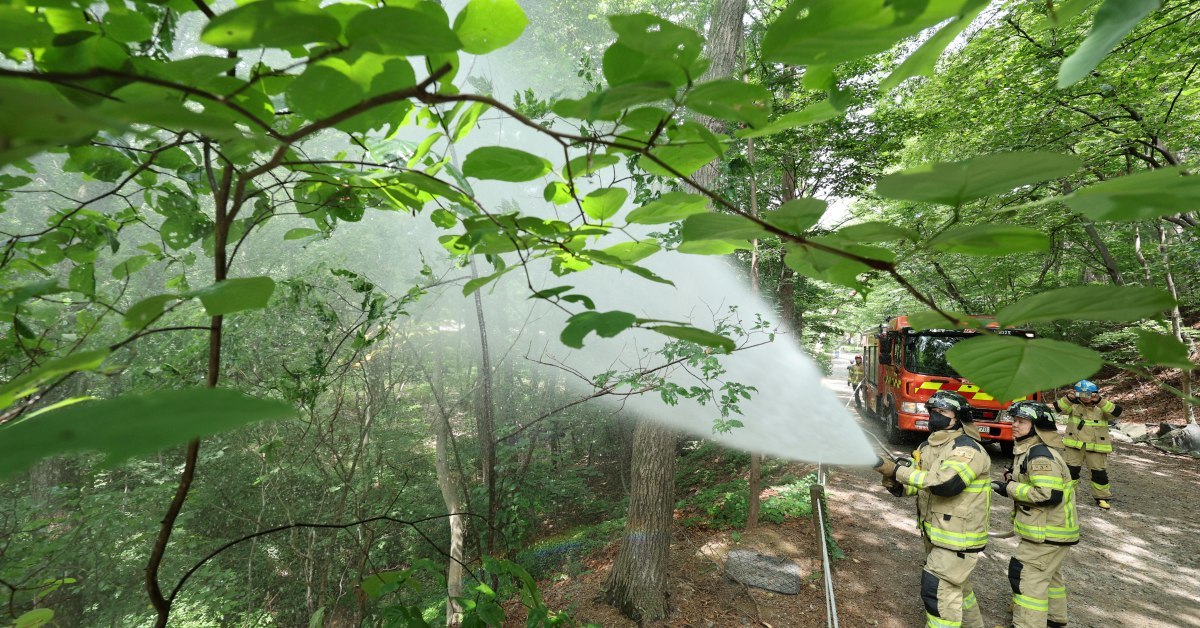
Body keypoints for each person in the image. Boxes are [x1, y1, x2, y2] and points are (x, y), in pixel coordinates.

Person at [873, 390, 991, 628]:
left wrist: (897, 471)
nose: (935, 416)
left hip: (959, 538)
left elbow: (945, 484)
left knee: (937, 592)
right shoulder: (928, 446)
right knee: (958, 589)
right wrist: (897, 485)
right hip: (937, 533)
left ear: (957, 417)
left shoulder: (967, 449)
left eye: (942, 412)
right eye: (932, 411)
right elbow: (921, 485)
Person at [991, 401, 1078, 628]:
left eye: (1022, 422)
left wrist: (1008, 488)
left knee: (1026, 578)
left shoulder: (1039, 455)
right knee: (1049, 575)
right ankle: (1053, 618)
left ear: (1037, 426)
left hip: (1047, 533)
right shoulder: (1029, 450)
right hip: (1053, 532)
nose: (1015, 425)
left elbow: (1049, 494)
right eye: (1014, 420)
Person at [1056, 380, 1122, 510]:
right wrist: (1069, 398)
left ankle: (1102, 498)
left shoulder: (1102, 406)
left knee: (1099, 474)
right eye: (1082, 394)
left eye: (1089, 394)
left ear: (1095, 393)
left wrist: (1099, 400)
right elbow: (1059, 408)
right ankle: (1068, 496)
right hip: (1074, 445)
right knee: (1071, 472)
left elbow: (1116, 412)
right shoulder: (1073, 405)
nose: (1085, 397)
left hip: (1097, 446)